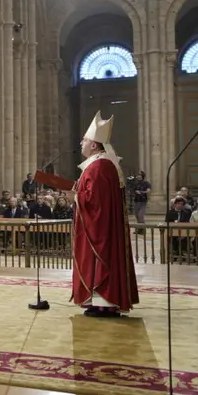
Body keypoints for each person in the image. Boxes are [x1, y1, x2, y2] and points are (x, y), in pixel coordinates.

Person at [71, 111, 139, 318]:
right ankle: (99, 302)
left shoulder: (98, 167)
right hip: (104, 226)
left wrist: (75, 195)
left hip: (100, 229)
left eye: (84, 140)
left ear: (94, 145)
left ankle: (105, 303)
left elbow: (95, 202)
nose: (81, 143)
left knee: (100, 262)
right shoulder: (101, 164)